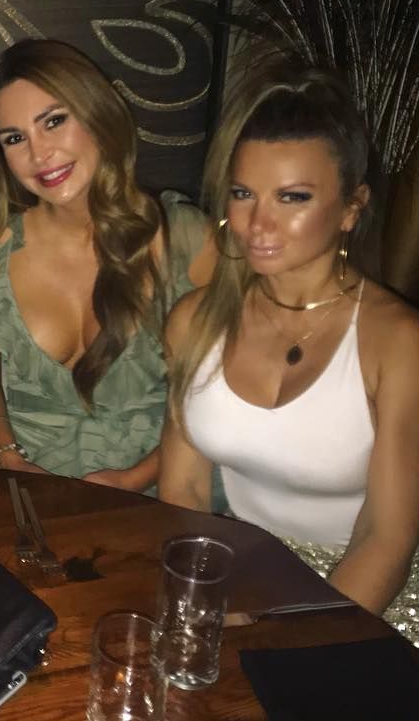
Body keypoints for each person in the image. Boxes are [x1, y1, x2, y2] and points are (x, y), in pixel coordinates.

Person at [159, 63, 419, 640]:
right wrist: (215, 596)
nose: (258, 223)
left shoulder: (398, 341)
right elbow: (185, 492)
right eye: (243, 193)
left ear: (351, 208)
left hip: (370, 592)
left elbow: (387, 536)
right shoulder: (193, 322)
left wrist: (291, 638)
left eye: (292, 197)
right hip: (245, 570)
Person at [0, 39, 215, 490]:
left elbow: (222, 391)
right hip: (33, 495)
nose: (39, 154)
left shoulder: (188, 239)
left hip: (164, 492)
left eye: (54, 121)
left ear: (98, 113)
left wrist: (135, 479)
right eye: (15, 138)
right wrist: (6, 456)